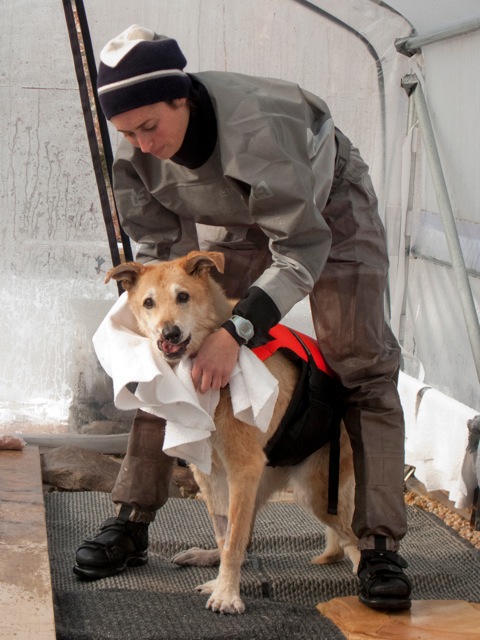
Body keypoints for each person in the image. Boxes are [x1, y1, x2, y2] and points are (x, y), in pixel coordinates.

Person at [73, 25, 412, 610]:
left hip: (325, 207)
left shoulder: (259, 128)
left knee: (361, 362)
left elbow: (302, 247)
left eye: (150, 126)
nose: (141, 144)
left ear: (183, 96)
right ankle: (133, 518)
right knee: (165, 357)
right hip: (242, 214)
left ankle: (378, 541)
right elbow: (159, 261)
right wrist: (168, 331)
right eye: (125, 132)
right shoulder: (131, 154)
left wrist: (238, 331)